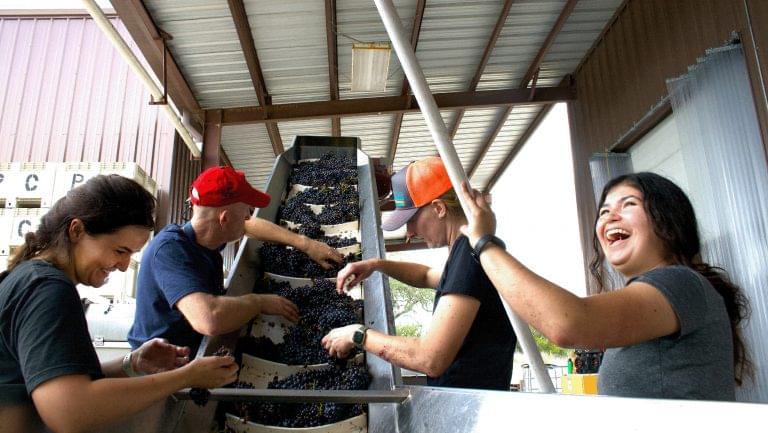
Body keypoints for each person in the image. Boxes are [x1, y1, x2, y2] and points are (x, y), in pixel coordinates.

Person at [458, 172, 751, 400]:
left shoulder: (680, 283)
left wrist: (485, 244)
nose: (610, 216)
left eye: (629, 205)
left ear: (669, 221)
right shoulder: (662, 296)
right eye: (604, 211)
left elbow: (568, 324)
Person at [0, 175, 238, 433]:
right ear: (77, 230)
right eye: (120, 251)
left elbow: (54, 380)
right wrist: (188, 376)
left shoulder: (29, 278)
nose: (124, 266)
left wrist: (132, 363)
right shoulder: (46, 289)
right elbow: (70, 410)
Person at [322, 157, 517, 390]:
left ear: (439, 208)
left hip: (469, 410)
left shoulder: (470, 255)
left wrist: (358, 335)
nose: (409, 232)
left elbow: (430, 359)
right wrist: (375, 264)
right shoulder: (467, 252)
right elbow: (426, 276)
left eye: (412, 220)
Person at [128, 166, 343, 356]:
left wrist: (306, 244)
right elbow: (209, 319)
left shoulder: (205, 238)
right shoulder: (169, 251)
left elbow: (251, 226)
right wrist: (259, 302)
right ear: (224, 219)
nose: (249, 218)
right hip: (161, 376)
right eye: (246, 213)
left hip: (193, 360)